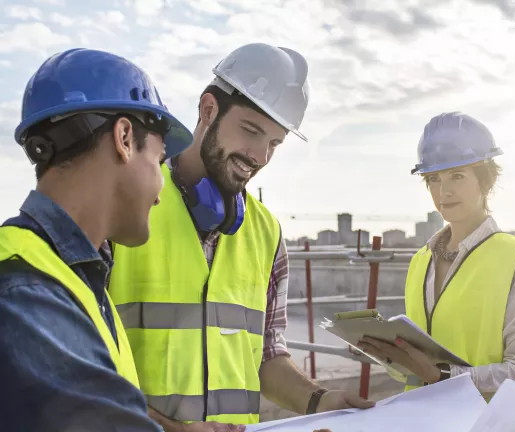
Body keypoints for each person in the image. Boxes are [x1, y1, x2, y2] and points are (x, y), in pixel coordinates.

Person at [0, 48, 197, 432]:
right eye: (159, 162)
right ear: (125, 138)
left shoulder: (71, 281)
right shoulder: (14, 291)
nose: (161, 191)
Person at [107, 42, 375, 431]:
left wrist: (319, 399)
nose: (260, 156)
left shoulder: (266, 233)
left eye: (274, 143)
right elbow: (78, 362)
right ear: (208, 110)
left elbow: (266, 355)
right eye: (251, 131)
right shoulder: (126, 206)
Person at [356, 112, 515, 432]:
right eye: (434, 179)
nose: (443, 191)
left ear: (485, 180)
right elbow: (420, 369)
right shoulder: (420, 262)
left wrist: (443, 376)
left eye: (457, 176)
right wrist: (392, 355)